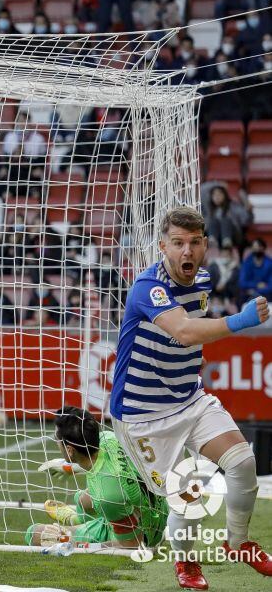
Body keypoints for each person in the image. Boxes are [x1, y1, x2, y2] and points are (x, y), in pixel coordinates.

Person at [109, 207, 271, 590]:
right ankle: (186, 564)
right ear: (163, 246)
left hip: (189, 399)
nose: (187, 251)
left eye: (194, 243)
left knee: (243, 462)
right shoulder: (147, 287)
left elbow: (191, 330)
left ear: (205, 246)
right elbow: (183, 331)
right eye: (178, 243)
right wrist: (238, 321)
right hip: (142, 415)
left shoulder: (202, 278)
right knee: (190, 494)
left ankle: (238, 543)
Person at [29, 406, 168, 550]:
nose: (57, 444)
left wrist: (72, 543)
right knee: (81, 500)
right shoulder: (108, 438)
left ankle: (79, 525)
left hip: (145, 534)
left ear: (70, 450)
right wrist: (68, 468)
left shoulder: (109, 497)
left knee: (34, 533)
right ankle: (75, 519)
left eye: (57, 440)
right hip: (154, 506)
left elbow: (132, 546)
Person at [238, 238, 272, 304]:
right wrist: (256, 285)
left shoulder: (270, 263)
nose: (257, 249)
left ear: (263, 248)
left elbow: (271, 285)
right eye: (254, 247)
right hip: (248, 294)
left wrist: (256, 291)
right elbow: (242, 283)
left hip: (266, 294)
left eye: (259, 247)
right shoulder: (247, 263)